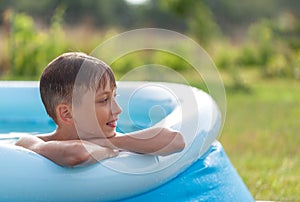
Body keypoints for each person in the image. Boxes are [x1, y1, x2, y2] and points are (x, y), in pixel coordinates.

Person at [15, 52, 185, 167]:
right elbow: (77, 154)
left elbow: (175, 141)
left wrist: (110, 143)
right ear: (67, 113)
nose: (118, 110)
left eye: (114, 97)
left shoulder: (109, 138)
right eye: (104, 100)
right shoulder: (29, 142)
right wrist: (111, 146)